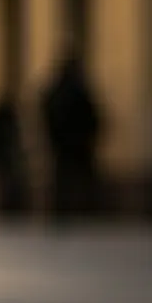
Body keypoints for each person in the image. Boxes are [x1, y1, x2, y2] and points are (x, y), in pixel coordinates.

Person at [40, 53, 102, 227]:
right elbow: (91, 114)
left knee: (63, 178)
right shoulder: (76, 89)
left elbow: (46, 112)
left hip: (64, 144)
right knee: (79, 179)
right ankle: (86, 212)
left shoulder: (56, 90)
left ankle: (63, 213)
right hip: (76, 143)